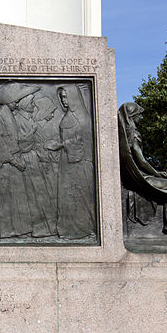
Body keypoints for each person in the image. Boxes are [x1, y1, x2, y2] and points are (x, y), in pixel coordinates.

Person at [118, 102, 167, 244]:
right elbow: (141, 161)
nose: (141, 118)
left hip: (136, 177)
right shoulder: (133, 135)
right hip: (143, 178)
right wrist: (158, 174)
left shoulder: (123, 136)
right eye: (139, 115)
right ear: (132, 116)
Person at [0, 83, 38, 238]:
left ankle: (16, 230)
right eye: (14, 101)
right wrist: (14, 160)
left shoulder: (9, 115)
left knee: (15, 198)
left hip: (12, 164)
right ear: (8, 102)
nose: (17, 104)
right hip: (3, 165)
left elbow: (12, 139)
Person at [53, 86, 97, 240]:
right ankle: (67, 230)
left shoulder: (83, 118)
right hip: (67, 162)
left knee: (79, 196)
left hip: (79, 163)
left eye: (66, 97)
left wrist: (62, 144)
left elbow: (84, 141)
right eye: (62, 97)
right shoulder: (68, 117)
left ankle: (82, 230)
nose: (64, 101)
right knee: (66, 196)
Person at [14, 92, 56, 237]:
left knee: (40, 194)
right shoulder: (20, 120)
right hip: (26, 160)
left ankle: (45, 227)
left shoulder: (31, 120)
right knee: (32, 194)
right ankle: (35, 228)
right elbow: (19, 142)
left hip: (35, 159)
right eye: (31, 103)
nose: (33, 105)